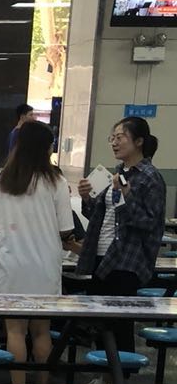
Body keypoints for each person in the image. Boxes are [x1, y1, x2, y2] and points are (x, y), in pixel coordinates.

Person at [0, 120, 74, 384]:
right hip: (45, 264)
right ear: (46, 148)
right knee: (41, 331)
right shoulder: (57, 182)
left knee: (15, 331)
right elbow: (66, 228)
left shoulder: (1, 181)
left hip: (12, 263)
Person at [75, 116, 166, 352]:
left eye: (120, 137)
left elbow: (150, 222)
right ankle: (105, 370)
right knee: (99, 323)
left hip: (127, 260)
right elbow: (100, 215)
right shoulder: (115, 174)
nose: (114, 143)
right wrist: (86, 198)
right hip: (102, 255)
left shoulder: (150, 177)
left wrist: (127, 195)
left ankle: (122, 372)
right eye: (112, 138)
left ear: (138, 141)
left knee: (119, 325)